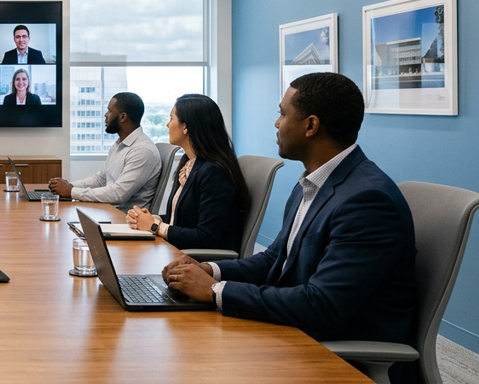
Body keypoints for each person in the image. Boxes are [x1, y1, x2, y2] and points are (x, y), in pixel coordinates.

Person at [161, 73, 417, 378]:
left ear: (310, 126)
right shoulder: (313, 182)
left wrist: (216, 291)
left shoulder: (367, 200)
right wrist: (211, 270)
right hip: (297, 328)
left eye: (282, 114)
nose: (276, 124)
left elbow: (322, 306)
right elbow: (275, 259)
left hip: (332, 352)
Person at [125, 94, 248, 251]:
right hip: (178, 251)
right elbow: (179, 220)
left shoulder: (214, 172)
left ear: (185, 126)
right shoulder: (189, 164)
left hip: (196, 261)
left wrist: (155, 226)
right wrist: (145, 219)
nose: (167, 124)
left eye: (171, 118)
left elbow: (207, 237)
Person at [48, 92, 161, 212]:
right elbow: (100, 180)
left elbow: (118, 194)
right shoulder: (119, 144)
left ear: (123, 117)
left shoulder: (143, 150)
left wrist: (71, 192)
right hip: (108, 211)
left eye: (109, 111)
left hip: (123, 219)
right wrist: (70, 186)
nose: (105, 115)